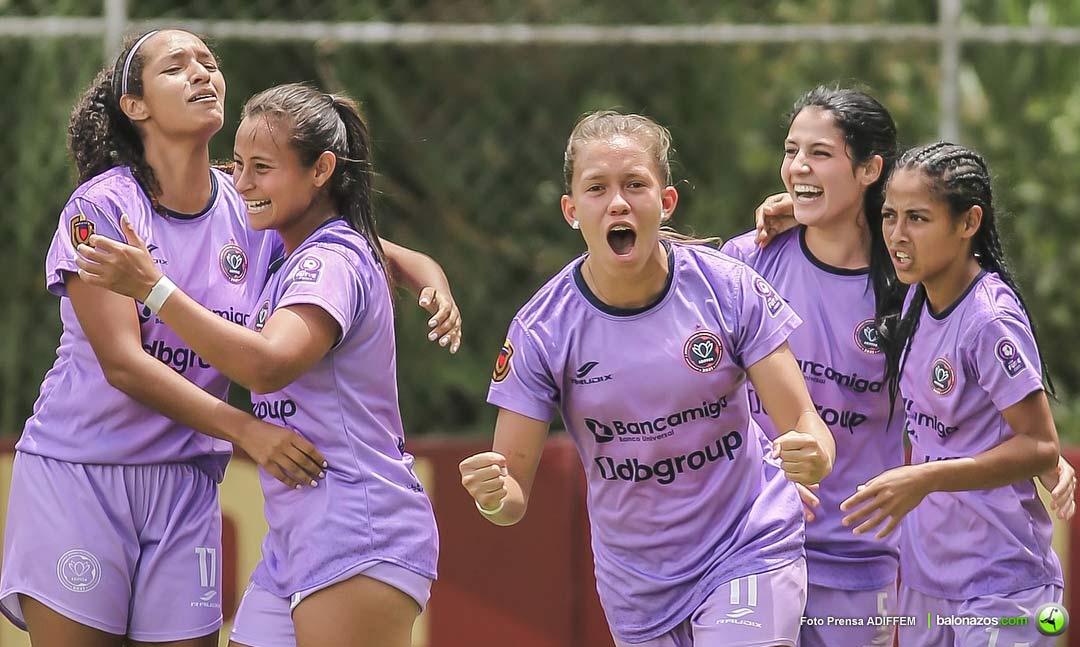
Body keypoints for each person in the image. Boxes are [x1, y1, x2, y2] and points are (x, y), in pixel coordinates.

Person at [0, 29, 455, 647]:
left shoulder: (248, 204)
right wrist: (246, 430)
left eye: (209, 63)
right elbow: (125, 366)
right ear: (135, 106)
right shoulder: (101, 210)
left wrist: (432, 278)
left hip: (186, 480)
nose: (201, 73)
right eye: (176, 66)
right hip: (84, 471)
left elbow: (368, 252)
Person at [459, 110, 835, 647]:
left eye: (635, 184)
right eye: (597, 188)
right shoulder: (542, 329)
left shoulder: (727, 289)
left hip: (747, 543)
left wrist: (814, 452)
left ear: (666, 201)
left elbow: (803, 420)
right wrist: (492, 497)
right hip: (637, 585)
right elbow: (511, 494)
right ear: (571, 210)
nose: (618, 201)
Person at [839, 142, 1064, 647]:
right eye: (890, 215)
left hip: (1002, 585)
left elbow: (1041, 445)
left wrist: (925, 477)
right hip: (926, 582)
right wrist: (786, 208)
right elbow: (840, 227)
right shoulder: (916, 292)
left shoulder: (988, 319)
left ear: (968, 224)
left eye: (917, 218)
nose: (897, 235)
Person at [720, 86, 907, 647]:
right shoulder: (745, 263)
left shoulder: (911, 290)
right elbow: (697, 398)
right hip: (747, 547)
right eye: (791, 150)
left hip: (857, 559)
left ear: (871, 168)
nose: (798, 166)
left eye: (820, 153)